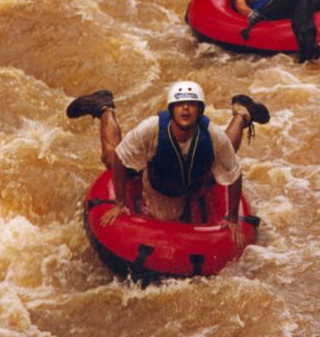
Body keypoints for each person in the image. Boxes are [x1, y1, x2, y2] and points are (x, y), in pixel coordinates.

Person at [66, 81, 268, 248]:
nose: (186, 109)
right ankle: (105, 108)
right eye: (180, 105)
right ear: (171, 109)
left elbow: (233, 172)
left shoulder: (212, 134)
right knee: (110, 158)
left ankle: (242, 112)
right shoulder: (150, 128)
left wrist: (232, 218)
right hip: (157, 175)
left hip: (195, 178)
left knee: (225, 149)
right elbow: (120, 157)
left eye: (192, 104)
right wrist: (120, 202)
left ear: (200, 110)